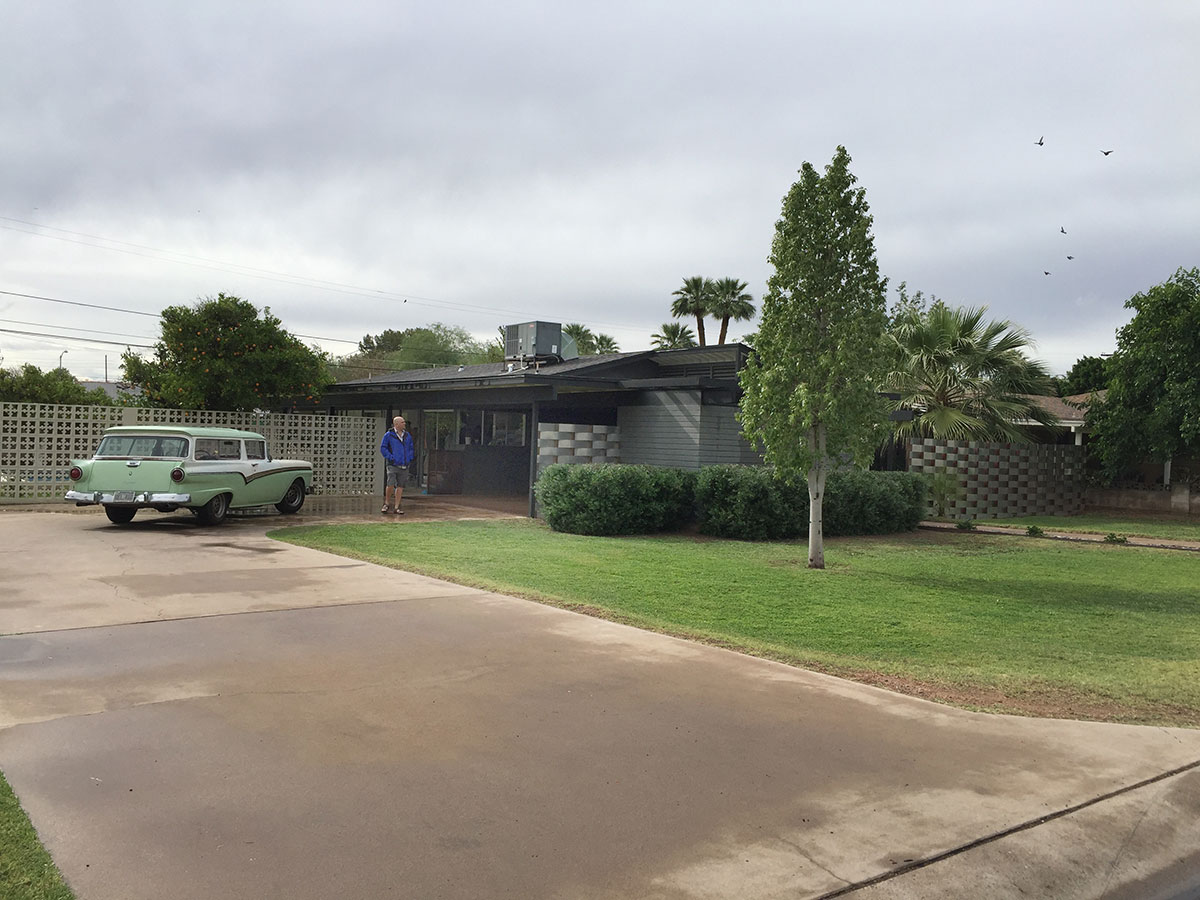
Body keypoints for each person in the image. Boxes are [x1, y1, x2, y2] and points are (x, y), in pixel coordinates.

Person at [379, 415, 415, 514]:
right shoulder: (389, 435)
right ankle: (386, 503)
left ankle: (396, 506)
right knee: (390, 484)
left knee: (400, 486)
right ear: (396, 424)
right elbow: (383, 448)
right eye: (402, 422)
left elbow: (411, 448)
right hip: (393, 464)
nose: (404, 424)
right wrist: (391, 457)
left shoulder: (407, 436)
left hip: (404, 464)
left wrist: (409, 458)